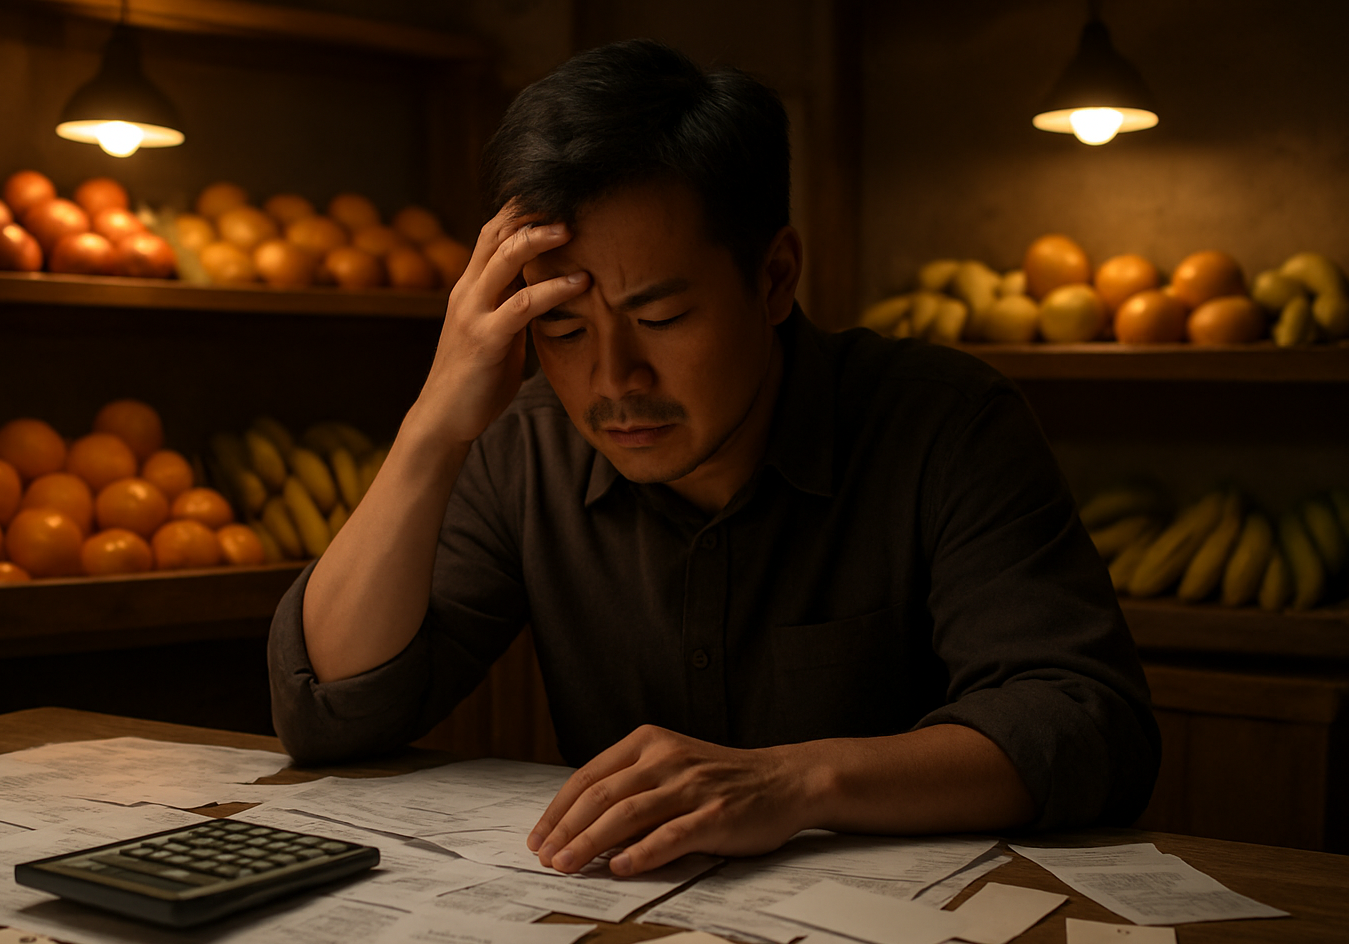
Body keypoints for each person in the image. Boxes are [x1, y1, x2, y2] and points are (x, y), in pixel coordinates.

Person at [269, 39, 1159, 878]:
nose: (613, 380)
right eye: (565, 329)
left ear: (774, 278)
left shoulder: (945, 423)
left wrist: (796, 782)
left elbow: (1086, 723)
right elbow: (331, 711)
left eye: (659, 319)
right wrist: (433, 422)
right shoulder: (525, 445)